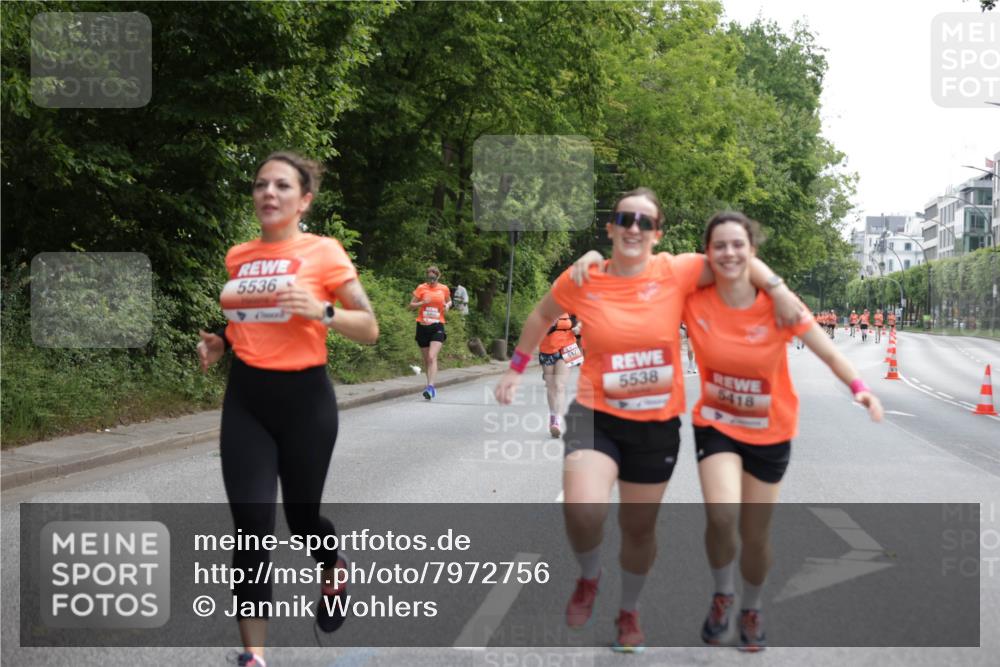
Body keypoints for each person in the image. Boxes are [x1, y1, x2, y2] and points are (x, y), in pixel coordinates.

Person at [494, 188, 802, 653]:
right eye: (625, 218)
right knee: (582, 509)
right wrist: (516, 370)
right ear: (611, 226)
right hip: (595, 412)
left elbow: (736, 258)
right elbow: (542, 313)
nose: (634, 227)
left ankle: (629, 612)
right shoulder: (586, 274)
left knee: (638, 530)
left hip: (654, 424)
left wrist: (776, 289)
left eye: (644, 222)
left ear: (657, 233)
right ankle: (590, 576)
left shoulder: (676, 270)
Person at [197, 152, 379, 667]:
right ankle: (254, 656)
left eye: (281, 186)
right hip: (247, 400)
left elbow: (369, 327)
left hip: (306, 403)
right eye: (260, 185)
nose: (268, 193)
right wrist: (222, 343)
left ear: (305, 200)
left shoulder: (324, 252)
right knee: (251, 526)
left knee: (301, 522)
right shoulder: (239, 254)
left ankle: (332, 565)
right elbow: (249, 322)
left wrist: (322, 311)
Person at [681, 212, 883, 652]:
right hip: (715, 425)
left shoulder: (779, 305)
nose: (729, 253)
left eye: (739, 245)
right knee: (721, 515)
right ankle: (723, 593)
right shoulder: (693, 299)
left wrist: (861, 388)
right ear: (707, 253)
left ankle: (751, 606)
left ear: (752, 252)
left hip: (769, 431)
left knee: (755, 535)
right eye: (719, 246)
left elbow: (828, 354)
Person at [409, 266, 452, 399]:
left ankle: (431, 386)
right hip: (422, 326)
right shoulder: (421, 288)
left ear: (438, 276)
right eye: (429, 277)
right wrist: (422, 302)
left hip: (437, 325)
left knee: (432, 357)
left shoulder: (444, 289)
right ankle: (429, 387)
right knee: (427, 359)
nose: (431, 280)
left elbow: (449, 300)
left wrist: (448, 305)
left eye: (433, 277)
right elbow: (410, 305)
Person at [539, 313, 583, 437]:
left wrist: (578, 327)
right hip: (547, 350)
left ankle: (556, 422)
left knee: (560, 385)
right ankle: (552, 415)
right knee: (550, 385)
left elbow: (583, 319)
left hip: (567, 349)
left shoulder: (571, 308)